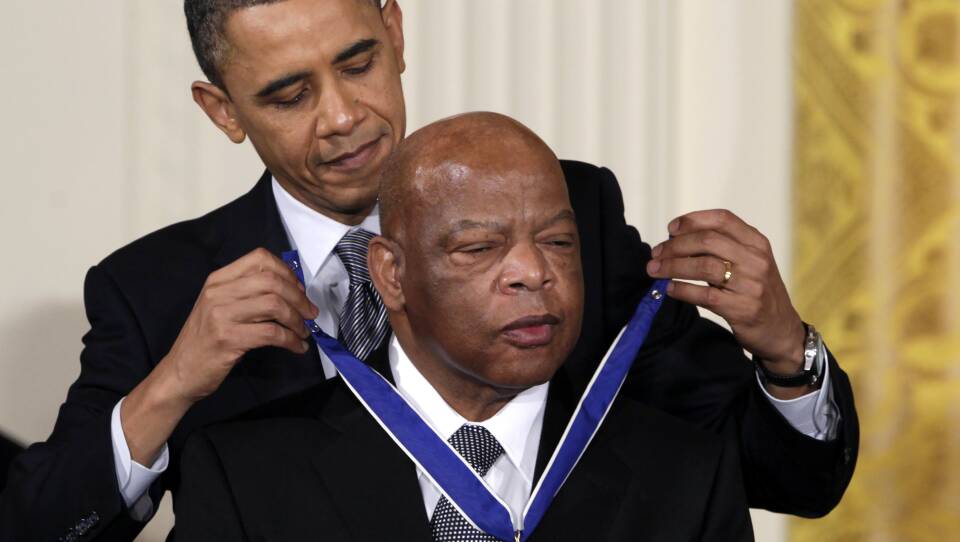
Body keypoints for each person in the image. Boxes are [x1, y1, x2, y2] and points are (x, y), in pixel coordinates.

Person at [0, 1, 857, 540]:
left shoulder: (569, 217)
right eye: (290, 95)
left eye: (359, 61)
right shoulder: (156, 287)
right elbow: (42, 524)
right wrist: (173, 383)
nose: (343, 117)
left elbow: (780, 485)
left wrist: (788, 356)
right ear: (222, 109)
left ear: (397, 29)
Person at [174, 111, 754, 542]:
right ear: (391, 274)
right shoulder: (248, 475)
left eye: (558, 242)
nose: (533, 272)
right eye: (479, 247)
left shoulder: (685, 476)